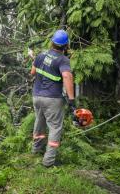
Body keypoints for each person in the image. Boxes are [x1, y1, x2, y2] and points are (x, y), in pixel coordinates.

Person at [30, 29, 75, 167]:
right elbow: (67, 76)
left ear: (52, 42)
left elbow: (32, 72)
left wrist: (37, 62)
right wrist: (72, 100)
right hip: (53, 99)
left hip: (37, 96)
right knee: (55, 128)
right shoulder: (63, 59)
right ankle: (48, 161)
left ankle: (36, 150)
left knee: (39, 122)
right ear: (66, 45)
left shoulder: (41, 55)